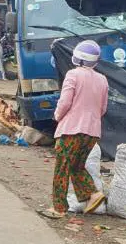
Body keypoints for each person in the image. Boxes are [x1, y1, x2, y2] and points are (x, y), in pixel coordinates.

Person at [40, 40, 108, 219]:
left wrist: (57, 116)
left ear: (77, 58)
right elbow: (103, 109)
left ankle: (58, 208)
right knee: (77, 166)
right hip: (92, 132)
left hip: (72, 129)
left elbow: (65, 102)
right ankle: (93, 194)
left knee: (62, 168)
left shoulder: (73, 75)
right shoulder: (102, 80)